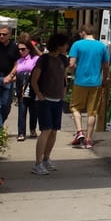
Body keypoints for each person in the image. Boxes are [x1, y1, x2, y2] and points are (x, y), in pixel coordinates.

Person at [30, 34, 69, 175]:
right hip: (45, 99)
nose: (67, 47)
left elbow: (64, 78)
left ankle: (46, 159)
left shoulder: (63, 59)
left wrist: (64, 92)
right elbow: (34, 79)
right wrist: (39, 94)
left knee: (53, 130)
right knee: (46, 130)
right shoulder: (44, 59)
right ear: (59, 45)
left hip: (57, 99)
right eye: (65, 44)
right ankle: (38, 163)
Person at [68, 24, 110, 149]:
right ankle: (88, 139)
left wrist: (73, 73)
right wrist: (104, 79)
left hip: (80, 81)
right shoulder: (101, 46)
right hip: (96, 82)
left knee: (75, 107)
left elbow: (71, 64)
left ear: (83, 32)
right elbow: (106, 66)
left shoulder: (77, 45)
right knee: (92, 112)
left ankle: (79, 131)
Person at [15, 40, 40, 141]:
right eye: (19, 49)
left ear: (29, 49)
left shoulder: (35, 59)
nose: (20, 51)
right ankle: (21, 132)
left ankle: (32, 129)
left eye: (23, 49)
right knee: (22, 110)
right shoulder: (18, 60)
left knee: (33, 110)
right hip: (21, 87)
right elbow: (15, 72)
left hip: (32, 86)